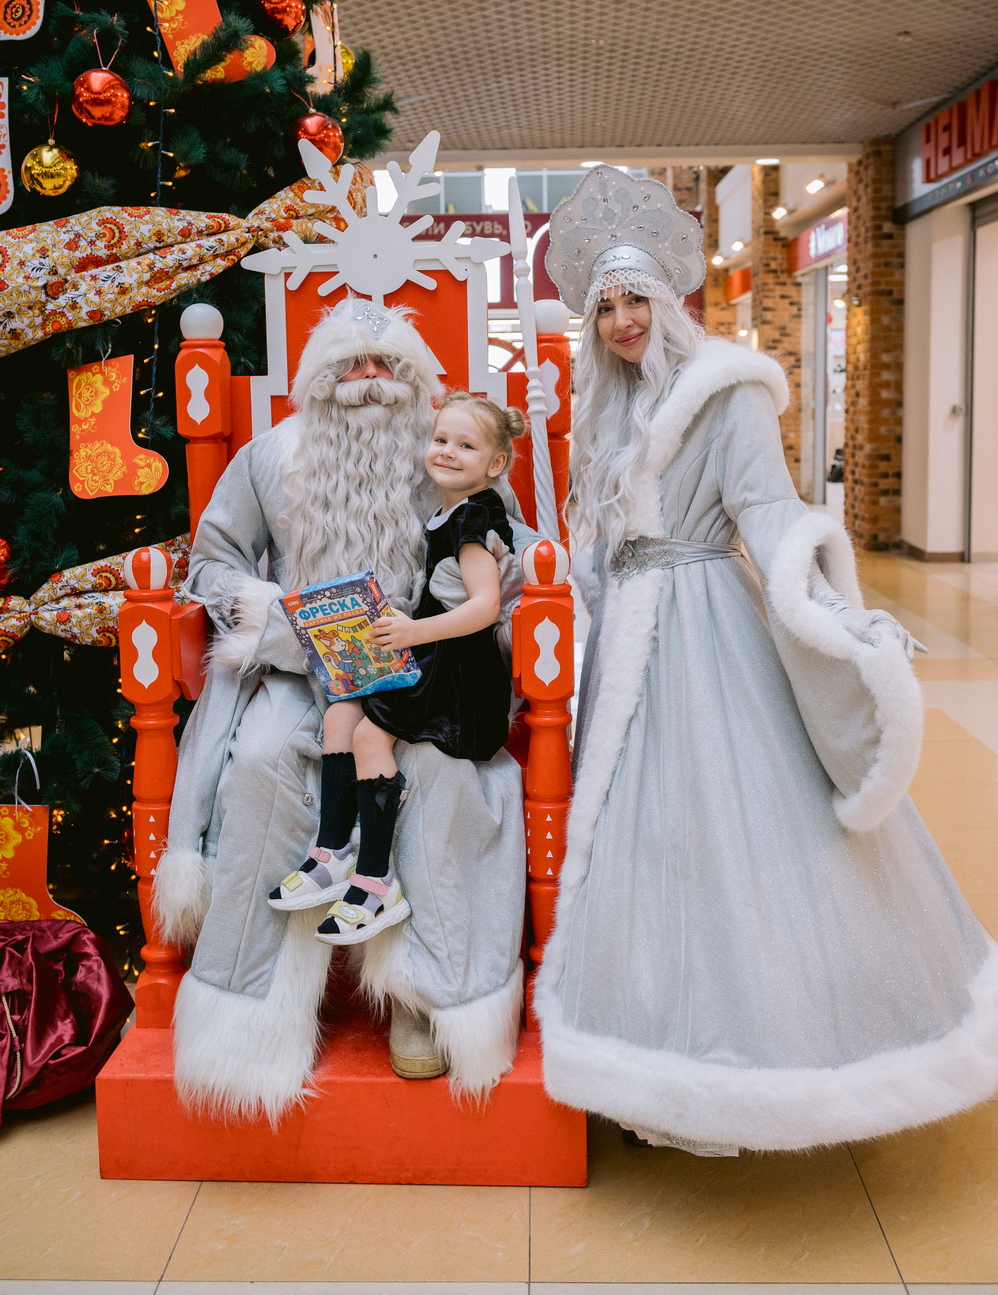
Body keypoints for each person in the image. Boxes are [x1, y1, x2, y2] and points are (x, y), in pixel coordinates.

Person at [535, 164, 998, 1154]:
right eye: (604, 306)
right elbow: (596, 537)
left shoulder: (727, 391)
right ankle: (655, 1059)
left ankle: (754, 1065)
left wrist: (837, 613)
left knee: (728, 824)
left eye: (634, 300)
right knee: (643, 837)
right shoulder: (604, 403)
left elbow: (769, 514)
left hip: (704, 624)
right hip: (625, 638)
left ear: (669, 298)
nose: (621, 321)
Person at [153, 301, 532, 1120]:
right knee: (261, 761)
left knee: (438, 772)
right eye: (350, 366)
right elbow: (212, 564)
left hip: (421, 670)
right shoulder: (268, 457)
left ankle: (424, 996)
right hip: (301, 669)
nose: (369, 381)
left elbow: (516, 552)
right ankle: (251, 1011)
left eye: (387, 366)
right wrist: (277, 619)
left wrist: (469, 600)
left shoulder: (446, 452)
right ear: (320, 381)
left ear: (417, 382)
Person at [268, 392, 527, 949]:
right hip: (434, 654)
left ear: (495, 463)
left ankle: (375, 880)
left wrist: (412, 632)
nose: (448, 451)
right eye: (441, 439)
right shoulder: (448, 512)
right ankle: (333, 850)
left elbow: (485, 607)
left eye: (466, 445)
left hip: (461, 677)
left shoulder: (474, 519)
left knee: (368, 735)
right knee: (340, 713)